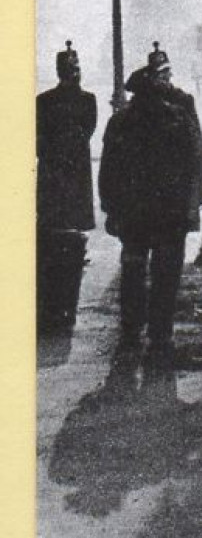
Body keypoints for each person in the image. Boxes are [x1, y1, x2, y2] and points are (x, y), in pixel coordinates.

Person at [98, 44, 202, 363]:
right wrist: (193, 204)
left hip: (134, 214)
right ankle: (160, 337)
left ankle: (131, 336)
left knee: (133, 270)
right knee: (165, 274)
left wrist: (111, 210)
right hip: (169, 213)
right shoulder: (179, 117)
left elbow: (108, 172)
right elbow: (197, 161)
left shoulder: (120, 122)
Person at [37, 41, 97, 335]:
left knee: (60, 228)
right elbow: (85, 131)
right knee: (64, 228)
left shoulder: (46, 101)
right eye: (71, 69)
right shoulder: (85, 100)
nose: (75, 73)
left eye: (76, 68)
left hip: (56, 173)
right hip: (69, 172)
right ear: (63, 71)